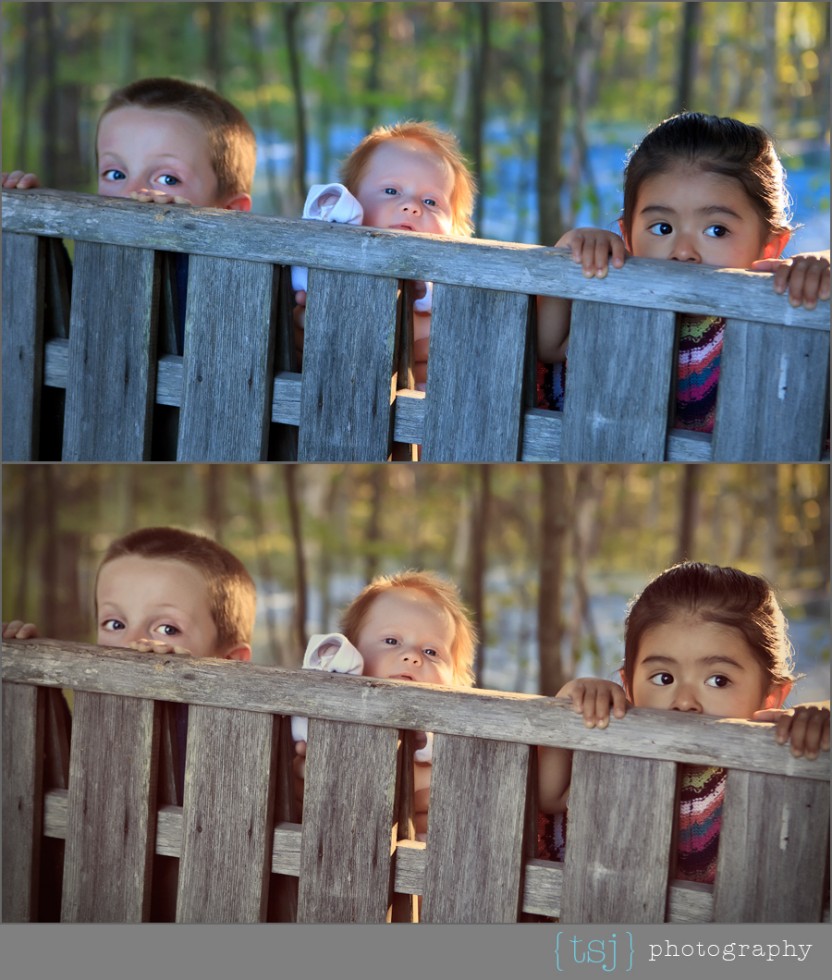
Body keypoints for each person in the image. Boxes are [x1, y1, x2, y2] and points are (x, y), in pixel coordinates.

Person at [537, 562, 830, 884]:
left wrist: (817, 727)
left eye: (718, 680)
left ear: (772, 697)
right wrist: (568, 711)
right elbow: (549, 797)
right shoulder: (617, 755)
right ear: (629, 685)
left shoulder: (777, 769)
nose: (685, 700)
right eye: (664, 678)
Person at [536, 112, 831, 430]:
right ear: (628, 235)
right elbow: (548, 346)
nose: (683, 251)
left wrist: (821, 269)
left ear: (771, 246)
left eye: (716, 230)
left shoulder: (778, 313)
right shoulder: (617, 305)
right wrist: (570, 256)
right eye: (663, 228)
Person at [292, 570, 477, 840]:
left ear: (455, 682)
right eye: (391, 641)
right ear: (354, 654)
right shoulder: (331, 703)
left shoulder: (452, 735)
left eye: (431, 652)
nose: (412, 657)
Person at [292, 121, 477, 389]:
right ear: (354, 204)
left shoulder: (450, 288)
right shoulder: (333, 255)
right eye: (391, 191)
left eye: (431, 202)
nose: (411, 207)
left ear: (455, 231)